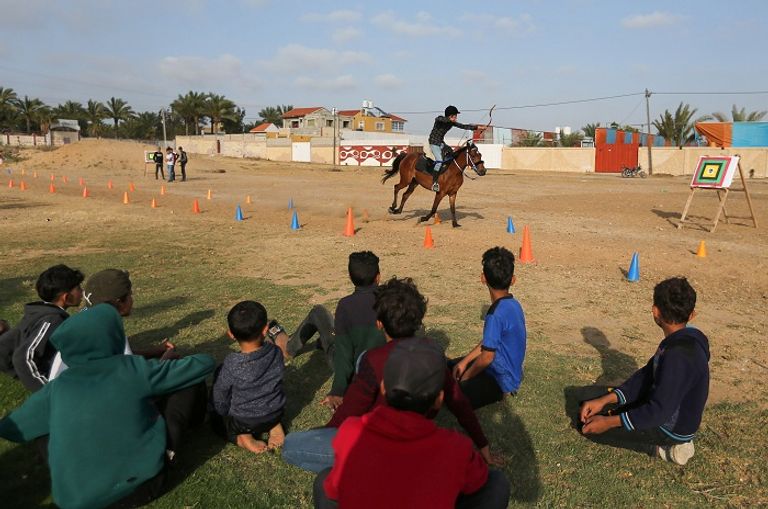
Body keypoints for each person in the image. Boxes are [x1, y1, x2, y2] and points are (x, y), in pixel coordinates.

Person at [0, 304, 215, 509]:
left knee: (46, 424)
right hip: (142, 486)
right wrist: (165, 364)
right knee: (186, 384)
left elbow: (12, 429)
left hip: (77, 502)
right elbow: (203, 363)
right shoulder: (132, 369)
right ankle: (171, 449)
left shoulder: (56, 388)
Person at [283, 277, 496, 473]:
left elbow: (349, 411)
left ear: (379, 323)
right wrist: (483, 445)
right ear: (419, 320)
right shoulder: (434, 351)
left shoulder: (374, 360)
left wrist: (324, 433)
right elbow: (459, 402)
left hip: (379, 445)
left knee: (291, 445)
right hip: (418, 436)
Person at [314, 339, 510, 509]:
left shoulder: (351, 432)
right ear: (439, 400)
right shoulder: (457, 447)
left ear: (383, 388)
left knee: (324, 479)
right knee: (497, 483)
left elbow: (332, 490)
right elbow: (476, 482)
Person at [579, 277, 710, 466]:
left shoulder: (678, 355)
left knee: (588, 426)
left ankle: (666, 449)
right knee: (586, 398)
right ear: (692, 315)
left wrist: (608, 422)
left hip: (672, 427)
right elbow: (647, 376)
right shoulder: (680, 341)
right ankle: (605, 407)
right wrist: (605, 400)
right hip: (663, 407)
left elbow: (658, 412)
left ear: (655, 311)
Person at [451, 247, 526, 409]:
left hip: (500, 380)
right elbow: (490, 342)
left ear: (483, 278)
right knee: (450, 366)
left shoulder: (495, 315)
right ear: (513, 280)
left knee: (453, 395)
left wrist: (465, 380)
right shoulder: (513, 304)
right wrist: (465, 362)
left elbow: (487, 358)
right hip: (504, 371)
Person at [211, 300, 286, 454]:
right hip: (275, 411)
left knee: (216, 418)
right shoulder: (276, 353)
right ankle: (274, 425)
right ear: (265, 330)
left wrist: (221, 412)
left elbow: (220, 395)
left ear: (230, 335)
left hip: (243, 421)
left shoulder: (231, 364)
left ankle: (244, 437)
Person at [0, 264, 84, 391]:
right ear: (66, 297)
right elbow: (23, 358)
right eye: (78, 288)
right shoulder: (52, 319)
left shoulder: (42, 311)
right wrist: (48, 391)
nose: (82, 291)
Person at [319, 251, 385, 411]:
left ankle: (290, 347)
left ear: (350, 277)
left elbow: (343, 353)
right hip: (385, 370)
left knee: (318, 313)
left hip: (358, 371)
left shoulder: (346, 306)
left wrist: (338, 390)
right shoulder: (390, 301)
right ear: (378, 277)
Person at [428, 105, 478, 192]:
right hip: (433, 143)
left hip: (441, 143)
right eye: (455, 116)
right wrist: (449, 120)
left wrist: (476, 128)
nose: (456, 118)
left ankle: (446, 176)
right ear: (450, 116)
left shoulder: (452, 122)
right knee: (439, 161)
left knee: (452, 155)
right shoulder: (440, 120)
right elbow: (438, 119)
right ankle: (434, 182)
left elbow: (463, 126)